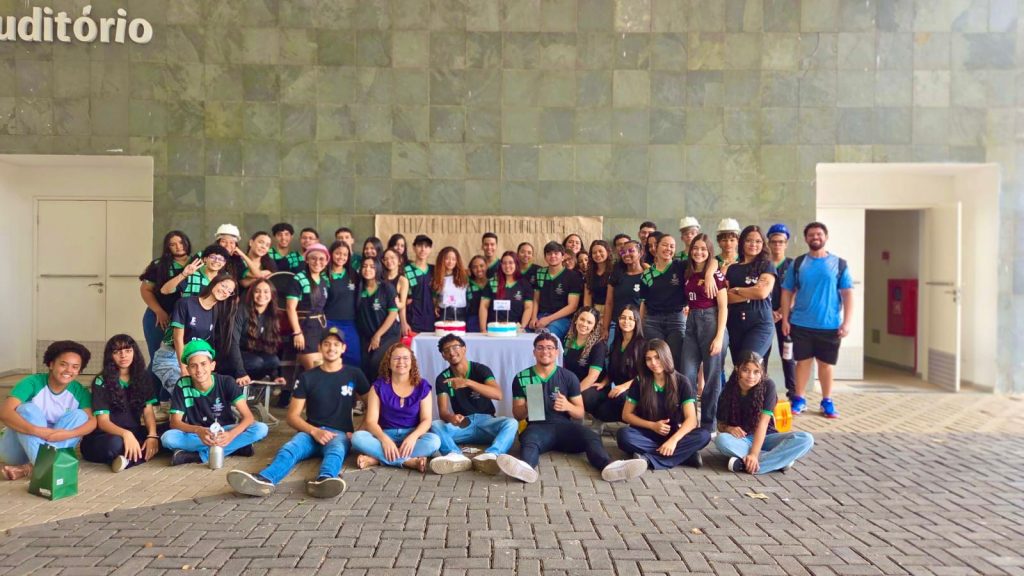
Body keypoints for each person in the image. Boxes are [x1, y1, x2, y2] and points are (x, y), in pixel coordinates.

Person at [227, 328, 370, 498]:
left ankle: (326, 480)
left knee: (336, 451)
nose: (331, 348)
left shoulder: (354, 374)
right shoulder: (307, 377)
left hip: (338, 433)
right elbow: (292, 417)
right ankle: (264, 479)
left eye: (336, 344)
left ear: (343, 348)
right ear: (319, 347)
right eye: (327, 344)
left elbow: (372, 406)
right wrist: (314, 431)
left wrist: (358, 432)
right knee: (289, 449)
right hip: (310, 431)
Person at [496, 334, 647, 484]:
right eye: (540, 348)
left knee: (592, 436)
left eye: (549, 348)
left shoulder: (569, 377)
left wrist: (568, 406)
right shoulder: (522, 377)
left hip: (564, 426)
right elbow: (517, 415)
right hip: (537, 426)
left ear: (556, 352)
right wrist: (528, 405)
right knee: (529, 441)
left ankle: (609, 467)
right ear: (534, 352)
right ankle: (526, 468)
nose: (545, 352)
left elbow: (580, 412)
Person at [780, 222, 854, 419]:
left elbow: (847, 294)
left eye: (819, 234)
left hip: (829, 325)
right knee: (802, 363)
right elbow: (787, 291)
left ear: (826, 237)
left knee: (826, 364)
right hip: (801, 323)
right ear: (806, 238)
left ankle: (827, 401)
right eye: (811, 234)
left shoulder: (839, 264)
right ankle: (799, 399)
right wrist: (786, 318)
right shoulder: (798, 264)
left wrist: (846, 322)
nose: (815, 237)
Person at [161, 340, 268, 466]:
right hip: (198, 435)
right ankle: (236, 447)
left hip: (225, 431)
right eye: (193, 366)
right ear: (188, 369)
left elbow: (248, 417)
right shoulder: (182, 384)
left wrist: (231, 435)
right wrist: (198, 430)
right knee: (167, 438)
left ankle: (200, 456)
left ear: (212, 365)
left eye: (203, 364)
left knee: (261, 428)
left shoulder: (226, 382)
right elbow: (175, 422)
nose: (199, 370)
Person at [0, 341, 96, 481]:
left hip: (54, 441)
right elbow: (5, 412)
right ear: (51, 364)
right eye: (63, 364)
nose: (69, 370)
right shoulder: (32, 382)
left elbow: (92, 422)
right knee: (27, 409)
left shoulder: (79, 391)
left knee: (81, 416)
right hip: (16, 451)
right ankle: (47, 467)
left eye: (75, 367)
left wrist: (68, 433)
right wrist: (37, 430)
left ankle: (31, 468)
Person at [428, 335, 519, 475]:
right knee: (435, 425)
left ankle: (492, 455)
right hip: (463, 424)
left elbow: (498, 394)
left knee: (511, 423)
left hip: (487, 423)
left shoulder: (480, 369)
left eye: (455, 347)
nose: (452, 352)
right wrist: (452, 418)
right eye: (446, 350)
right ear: (443, 356)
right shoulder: (443, 378)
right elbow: (443, 412)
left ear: (464, 349)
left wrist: (468, 382)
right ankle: (455, 455)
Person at [714, 350, 814, 474]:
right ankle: (778, 460)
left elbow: (763, 424)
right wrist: (729, 429)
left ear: (762, 372)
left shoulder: (768, 386)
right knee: (721, 440)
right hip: (742, 440)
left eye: (756, 372)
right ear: (737, 369)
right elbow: (720, 425)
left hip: (767, 437)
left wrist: (755, 455)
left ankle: (745, 465)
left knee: (806, 439)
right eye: (746, 370)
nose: (751, 376)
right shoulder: (728, 388)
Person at [616, 339, 710, 470]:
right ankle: (685, 456)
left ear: (666, 356)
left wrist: (673, 441)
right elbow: (626, 415)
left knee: (704, 435)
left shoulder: (682, 381)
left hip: (673, 435)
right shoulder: (639, 381)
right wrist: (653, 426)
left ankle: (648, 460)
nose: (653, 363)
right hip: (646, 434)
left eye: (657, 357)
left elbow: (692, 420)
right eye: (648, 359)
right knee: (623, 435)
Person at [351, 343, 441, 471]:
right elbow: (371, 421)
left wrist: (413, 437)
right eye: (396, 358)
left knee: (434, 441)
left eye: (405, 358)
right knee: (357, 438)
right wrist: (385, 440)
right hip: (384, 434)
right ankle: (408, 462)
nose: (401, 362)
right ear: (389, 362)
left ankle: (377, 459)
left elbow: (426, 420)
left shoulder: (422, 385)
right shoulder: (378, 386)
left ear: (412, 362)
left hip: (411, 435)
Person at [80, 335, 161, 472]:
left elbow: (148, 412)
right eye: (117, 352)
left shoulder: (144, 377)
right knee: (115, 444)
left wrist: (152, 435)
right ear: (110, 356)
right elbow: (103, 422)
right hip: (104, 437)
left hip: (132, 431)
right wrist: (126, 435)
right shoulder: (101, 381)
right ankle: (136, 454)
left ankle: (126, 460)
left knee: (165, 434)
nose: (123, 355)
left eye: (128, 350)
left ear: (134, 352)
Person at [151, 273, 238, 395]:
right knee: (187, 393)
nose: (225, 291)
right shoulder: (186, 303)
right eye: (223, 286)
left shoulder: (216, 312)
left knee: (206, 393)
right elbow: (177, 338)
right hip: (171, 356)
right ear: (214, 282)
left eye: (229, 291)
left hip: (193, 359)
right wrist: (183, 368)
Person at [680, 233, 729, 431]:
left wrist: (719, 337)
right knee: (686, 373)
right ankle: (689, 421)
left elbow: (724, 308)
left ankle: (709, 424)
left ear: (709, 252)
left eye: (703, 249)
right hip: (691, 323)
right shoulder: (687, 272)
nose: (698, 252)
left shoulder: (715, 275)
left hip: (711, 322)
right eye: (695, 248)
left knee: (711, 377)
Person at [140, 230, 192, 364]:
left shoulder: (197, 263)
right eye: (172, 244)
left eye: (181, 242)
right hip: (159, 318)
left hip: (187, 319)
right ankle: (151, 385)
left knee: (184, 359)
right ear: (167, 247)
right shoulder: (160, 264)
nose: (178, 246)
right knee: (159, 359)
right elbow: (145, 290)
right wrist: (159, 311)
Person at [725, 226, 776, 361]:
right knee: (740, 369)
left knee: (750, 361)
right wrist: (751, 291)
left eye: (758, 241)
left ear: (763, 244)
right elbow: (726, 298)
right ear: (742, 243)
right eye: (749, 240)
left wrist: (737, 290)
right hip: (735, 324)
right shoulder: (732, 269)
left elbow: (761, 292)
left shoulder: (767, 265)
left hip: (760, 323)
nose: (753, 244)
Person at [639, 234, 687, 369]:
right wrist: (641, 326)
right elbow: (643, 301)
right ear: (656, 248)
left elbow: (708, 261)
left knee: (675, 358)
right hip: (652, 321)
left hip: (676, 319)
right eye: (665, 245)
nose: (668, 249)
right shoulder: (647, 274)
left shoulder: (681, 267)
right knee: (656, 359)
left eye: (672, 246)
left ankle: (675, 389)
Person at [284, 243, 330, 377]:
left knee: (324, 369)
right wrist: (297, 332)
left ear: (326, 261)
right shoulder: (299, 279)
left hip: (320, 328)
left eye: (322, 259)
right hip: (305, 328)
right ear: (307, 259)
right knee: (315, 371)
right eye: (313, 258)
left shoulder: (323, 280)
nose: (317, 262)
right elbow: (290, 308)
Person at [593, 305, 645, 423]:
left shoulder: (642, 345)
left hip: (636, 390)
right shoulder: (615, 342)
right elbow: (612, 369)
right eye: (623, 318)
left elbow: (644, 375)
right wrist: (604, 382)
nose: (626, 321)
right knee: (595, 400)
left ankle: (634, 422)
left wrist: (624, 387)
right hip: (617, 388)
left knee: (620, 398)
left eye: (631, 319)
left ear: (637, 322)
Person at [227, 278, 284, 385]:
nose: (261, 295)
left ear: (272, 295)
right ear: (251, 294)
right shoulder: (241, 310)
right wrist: (241, 372)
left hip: (253, 355)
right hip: (233, 356)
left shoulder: (272, 314)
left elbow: (271, 346)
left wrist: (275, 376)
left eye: (266, 291)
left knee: (273, 360)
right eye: (257, 291)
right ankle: (238, 384)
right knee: (256, 362)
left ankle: (258, 386)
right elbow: (232, 343)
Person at [355, 257, 401, 382]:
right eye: (364, 266)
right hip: (367, 335)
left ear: (378, 269)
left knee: (376, 362)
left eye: (372, 266)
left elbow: (393, 314)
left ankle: (381, 396)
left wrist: (378, 335)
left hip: (388, 334)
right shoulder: (358, 289)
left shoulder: (387, 288)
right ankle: (366, 398)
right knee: (364, 365)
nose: (367, 269)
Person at [766, 223, 797, 401]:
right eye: (774, 241)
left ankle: (793, 394)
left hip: (786, 318)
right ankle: (762, 391)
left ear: (786, 244)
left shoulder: (792, 265)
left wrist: (781, 312)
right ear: (769, 243)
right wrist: (770, 313)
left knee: (788, 355)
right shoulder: (764, 264)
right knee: (763, 355)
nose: (777, 245)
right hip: (765, 317)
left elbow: (796, 291)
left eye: (781, 242)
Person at [528, 241, 582, 341]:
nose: (552, 256)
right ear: (545, 257)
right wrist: (533, 317)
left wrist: (548, 319)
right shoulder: (540, 273)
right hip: (541, 315)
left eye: (556, 253)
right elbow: (536, 299)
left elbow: (572, 306)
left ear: (563, 256)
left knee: (547, 337)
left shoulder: (573, 276)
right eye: (549, 253)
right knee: (525, 334)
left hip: (563, 319)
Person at [564, 307, 610, 423]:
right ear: (576, 320)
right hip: (572, 383)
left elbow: (592, 377)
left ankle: (592, 421)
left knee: (582, 397)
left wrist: (573, 393)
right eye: (582, 319)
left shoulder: (598, 345)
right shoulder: (567, 340)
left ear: (594, 326)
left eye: (589, 322)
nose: (584, 324)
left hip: (593, 386)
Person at [325, 240, 361, 368]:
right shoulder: (324, 275)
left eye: (345, 255)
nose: (341, 257)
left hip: (350, 322)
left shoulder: (353, 275)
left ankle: (351, 386)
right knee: (331, 356)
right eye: (338, 253)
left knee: (354, 357)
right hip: (329, 322)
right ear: (331, 254)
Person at [603, 239, 645, 343]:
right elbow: (609, 303)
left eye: (631, 251)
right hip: (616, 324)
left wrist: (640, 327)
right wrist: (605, 328)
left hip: (637, 325)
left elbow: (647, 304)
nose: (626, 254)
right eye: (623, 252)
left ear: (640, 253)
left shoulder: (647, 275)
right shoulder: (616, 274)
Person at [481, 251, 534, 331]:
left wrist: (522, 327)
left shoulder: (524, 284)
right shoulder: (493, 282)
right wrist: (483, 329)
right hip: (494, 328)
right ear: (501, 265)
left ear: (516, 264)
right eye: (504, 263)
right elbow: (484, 306)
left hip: (515, 329)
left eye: (510, 263)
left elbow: (528, 307)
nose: (507, 266)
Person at [159, 243, 231, 298]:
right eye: (213, 257)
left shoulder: (225, 280)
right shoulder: (192, 276)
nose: (216, 261)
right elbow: (164, 291)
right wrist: (183, 275)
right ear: (205, 259)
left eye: (221, 259)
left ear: (224, 263)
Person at [403, 234, 435, 335]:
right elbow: (402, 299)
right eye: (420, 246)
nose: (423, 249)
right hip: (412, 317)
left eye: (426, 246)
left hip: (431, 317)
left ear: (430, 249)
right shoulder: (406, 269)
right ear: (414, 247)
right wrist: (403, 322)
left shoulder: (434, 270)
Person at [431, 246, 469, 323]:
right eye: (447, 258)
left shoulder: (464, 276)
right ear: (442, 260)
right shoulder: (437, 277)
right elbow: (435, 295)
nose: (450, 262)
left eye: (454, 259)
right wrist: (435, 306)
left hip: (460, 311)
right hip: (444, 311)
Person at [382, 248, 411, 338]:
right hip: (378, 317)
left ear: (399, 261)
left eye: (392, 258)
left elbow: (402, 304)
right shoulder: (380, 278)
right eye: (386, 259)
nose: (389, 261)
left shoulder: (402, 280)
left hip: (393, 320)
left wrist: (404, 323)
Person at [583, 240, 611, 318]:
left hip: (612, 311)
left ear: (607, 252)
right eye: (594, 252)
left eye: (600, 251)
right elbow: (587, 301)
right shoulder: (589, 274)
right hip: (595, 311)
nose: (597, 254)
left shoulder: (614, 271)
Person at [465, 255, 490, 332]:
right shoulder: (467, 283)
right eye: (475, 267)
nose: (479, 269)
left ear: (487, 266)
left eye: (481, 266)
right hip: (472, 322)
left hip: (491, 321)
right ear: (471, 269)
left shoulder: (492, 283)